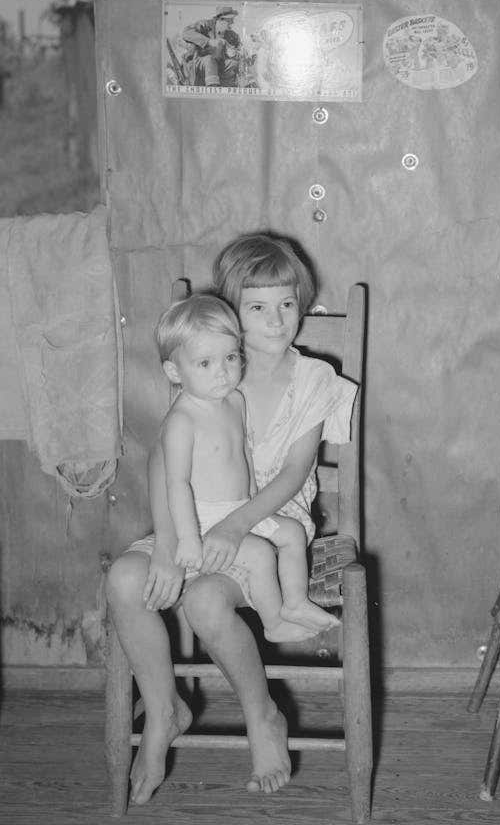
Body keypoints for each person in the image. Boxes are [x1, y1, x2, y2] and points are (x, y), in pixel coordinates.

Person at [105, 232, 357, 805]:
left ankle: (262, 716)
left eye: (288, 303)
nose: (276, 320)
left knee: (203, 601)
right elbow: (161, 459)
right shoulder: (216, 367)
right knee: (123, 579)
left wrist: (234, 527)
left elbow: (293, 477)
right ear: (231, 314)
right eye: (258, 307)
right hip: (188, 522)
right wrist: (167, 545)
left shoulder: (314, 380)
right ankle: (165, 708)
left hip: (269, 527)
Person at [152, 292, 339, 638]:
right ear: (174, 371)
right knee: (260, 554)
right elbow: (175, 484)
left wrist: (253, 493)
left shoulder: (235, 400)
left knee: (292, 533)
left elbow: (243, 456)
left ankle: (295, 601)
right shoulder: (181, 420)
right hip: (204, 519)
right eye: (205, 364)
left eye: (230, 358)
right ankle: (274, 623)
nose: (222, 373)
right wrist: (188, 539)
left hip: (239, 507)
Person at [181, 5, 241, 87]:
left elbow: (240, 51)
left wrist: (235, 53)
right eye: (230, 20)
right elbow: (186, 33)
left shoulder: (232, 35)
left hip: (219, 66)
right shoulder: (205, 25)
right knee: (210, 59)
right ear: (220, 20)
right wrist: (208, 41)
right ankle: (212, 88)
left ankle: (227, 92)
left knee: (233, 64)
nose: (232, 23)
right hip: (199, 64)